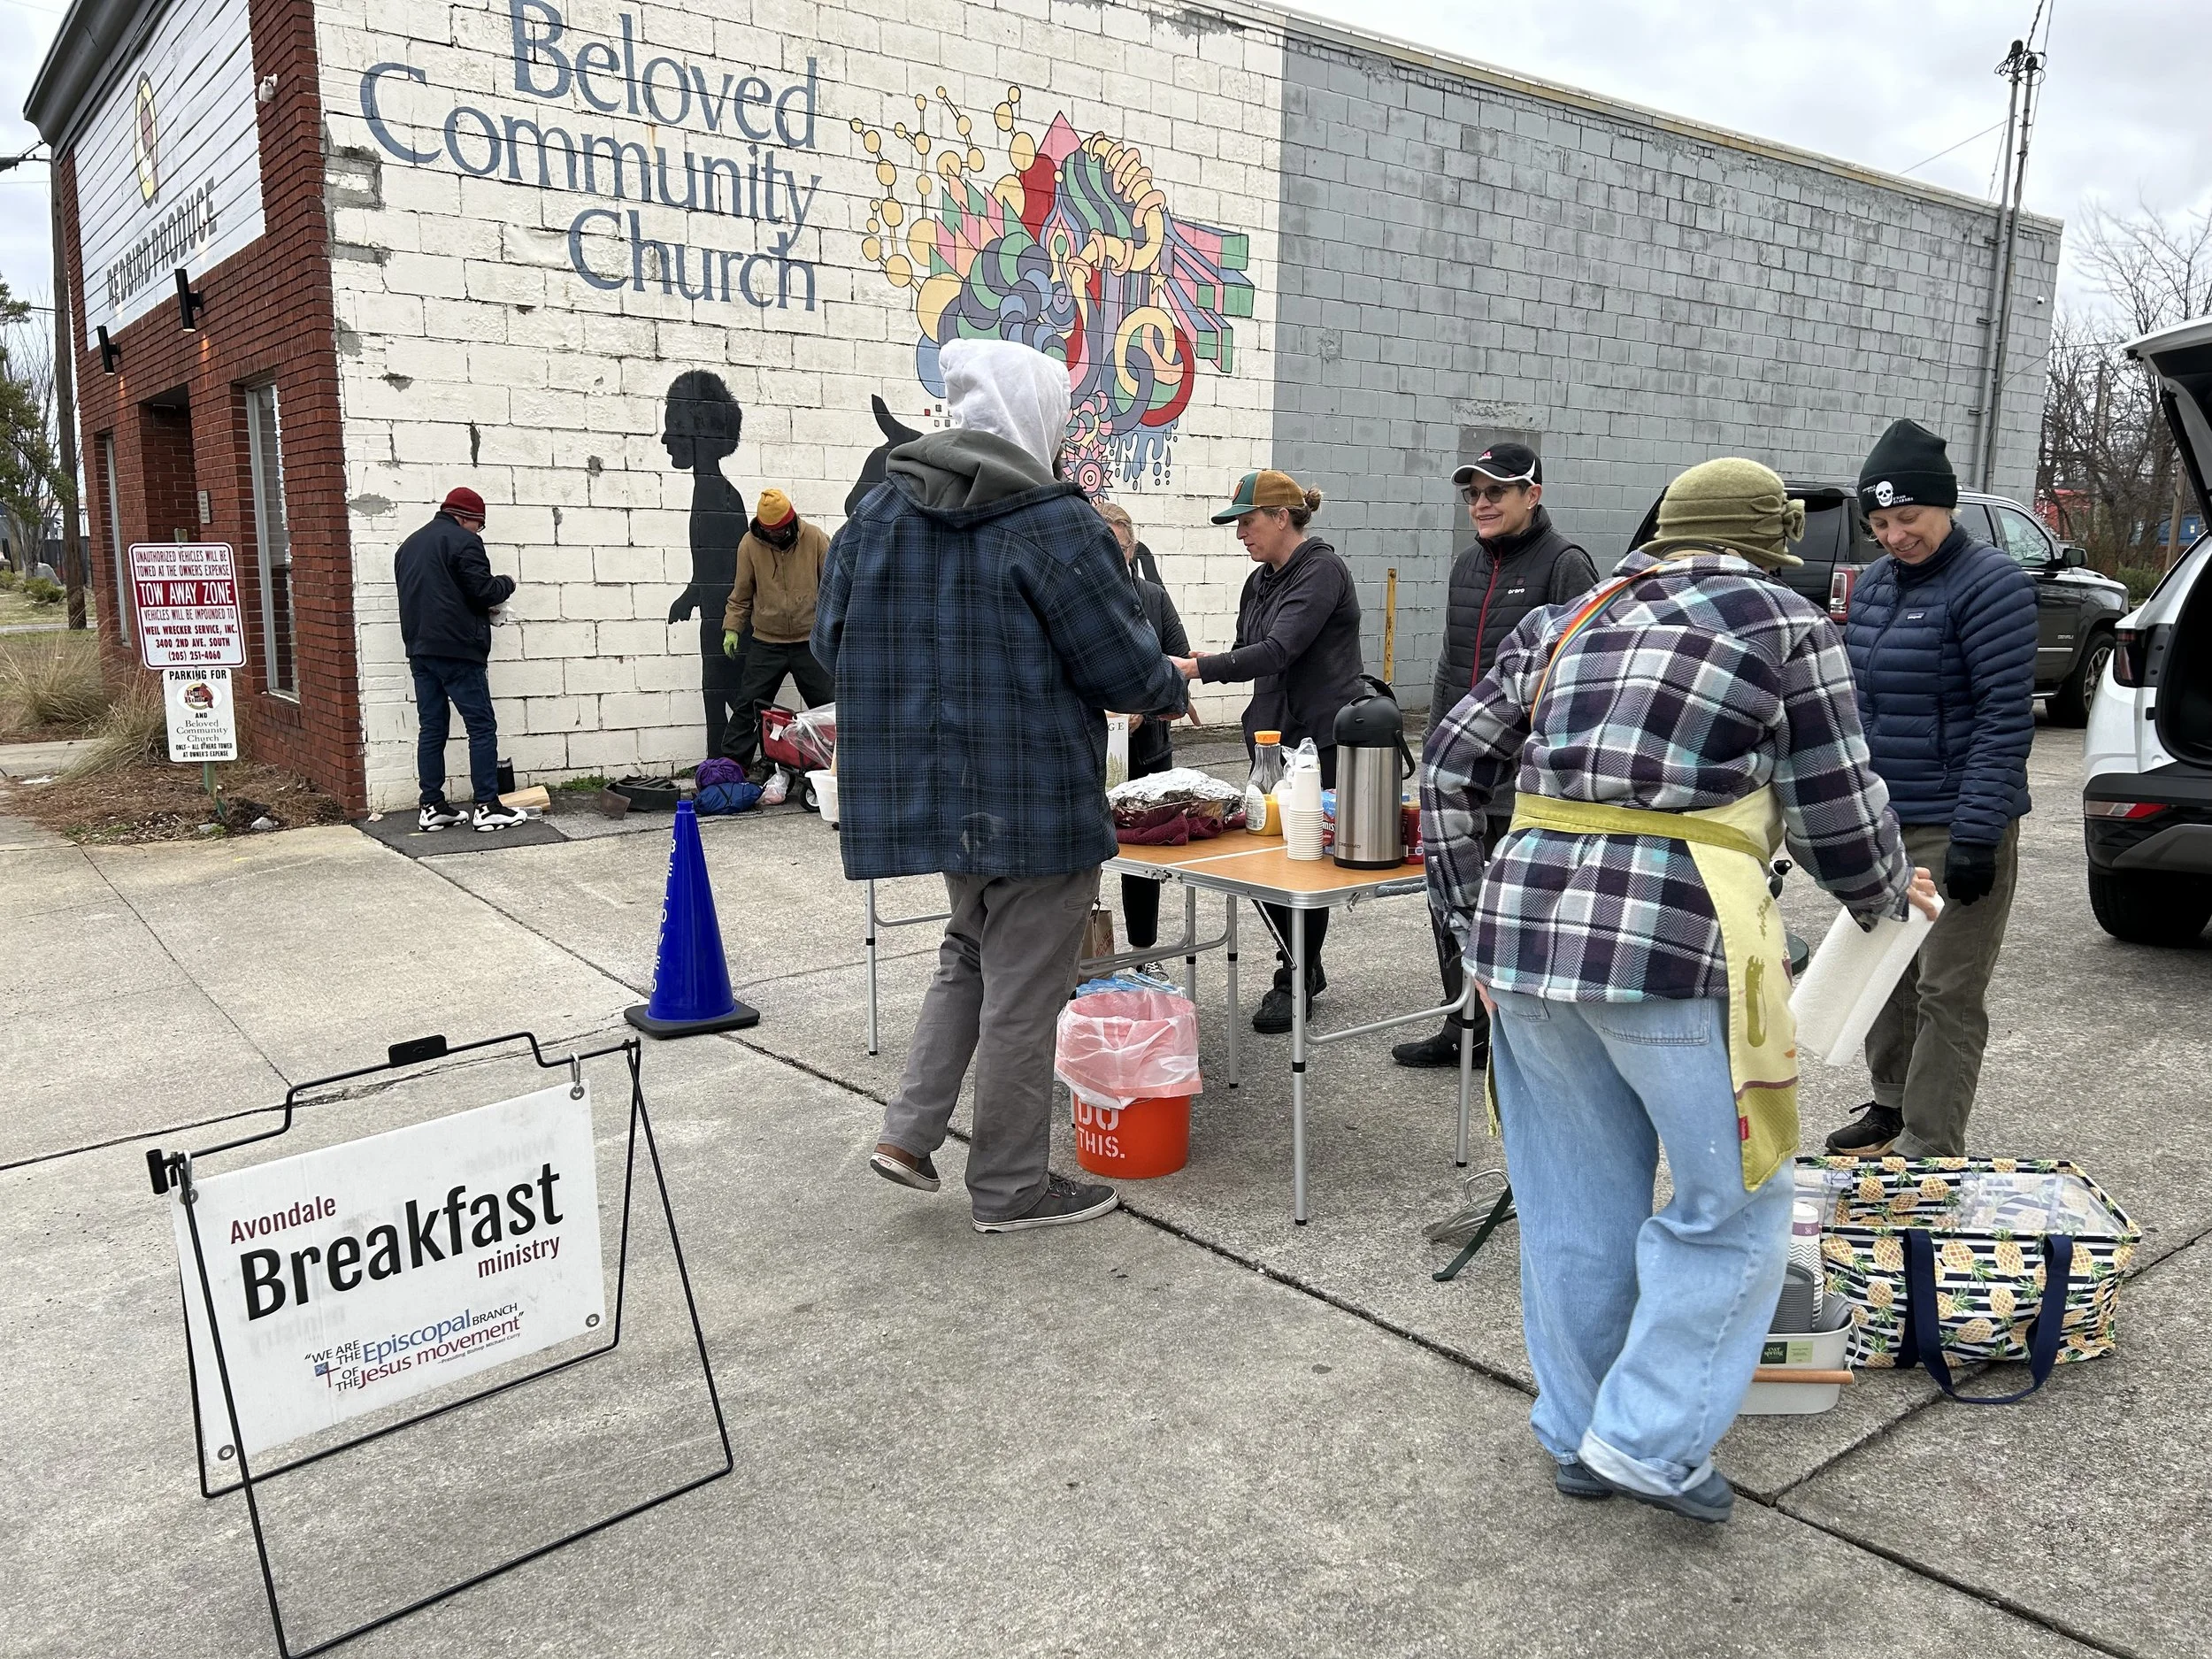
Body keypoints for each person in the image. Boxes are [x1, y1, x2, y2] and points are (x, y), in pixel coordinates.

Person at [1424, 457, 1935, 1521]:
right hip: (1674, 950)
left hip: (1523, 948)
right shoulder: (1787, 623)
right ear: (1770, 543)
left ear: (1662, 531)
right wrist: (1891, 891)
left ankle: (1576, 1428)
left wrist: (1474, 932)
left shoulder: (1567, 618)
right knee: (1733, 1205)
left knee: (1572, 1207)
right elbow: (1838, 809)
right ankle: (1649, 1444)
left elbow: (1443, 770)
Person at [814, 340, 1188, 1233]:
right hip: (1035, 799)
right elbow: (1125, 672)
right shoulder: (1056, 522)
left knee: (969, 953)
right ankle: (1011, 1188)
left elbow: (830, 648)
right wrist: (1172, 683)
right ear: (1038, 417)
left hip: (936, 798)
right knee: (1024, 992)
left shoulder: (875, 514)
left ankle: (909, 1135)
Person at [1825, 419, 2037, 1158]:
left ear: (1943, 506)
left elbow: (2005, 720)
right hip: (1886, 818)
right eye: (1879, 522)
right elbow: (1857, 703)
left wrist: (1979, 832)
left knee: (1946, 989)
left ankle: (1930, 1137)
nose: (1894, 535)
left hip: (1957, 823)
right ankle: (1888, 1105)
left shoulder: (1993, 586)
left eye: (1907, 517)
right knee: (1885, 977)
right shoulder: (1876, 586)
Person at [1395, 442, 1597, 1070]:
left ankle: (1521, 1042)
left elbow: (1581, 682)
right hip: (1462, 783)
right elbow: (1450, 668)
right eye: (1473, 493)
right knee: (1450, 897)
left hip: (1525, 786)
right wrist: (1433, 756)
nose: (1481, 503)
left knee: (1520, 917)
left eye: (1495, 492)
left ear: (1531, 495)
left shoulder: (1566, 565)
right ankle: (1463, 1025)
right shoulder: (1466, 566)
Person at [1170, 470, 1363, 1033]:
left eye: (1247, 522)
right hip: (1270, 738)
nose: (1240, 535)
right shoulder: (1259, 582)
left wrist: (1196, 667)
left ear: (1282, 517)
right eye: (1237, 525)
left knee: (1301, 859)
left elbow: (1277, 650)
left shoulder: (1321, 570)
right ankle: (1300, 963)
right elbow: (1245, 653)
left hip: (1318, 739)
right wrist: (1180, 686)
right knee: (1263, 856)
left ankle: (1297, 976)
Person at [395, 487, 527, 832]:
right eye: (478, 526)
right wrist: (507, 583)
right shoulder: (464, 542)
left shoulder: (408, 546)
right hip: (459, 651)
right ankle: (487, 806)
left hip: (421, 650)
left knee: (433, 728)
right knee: (481, 726)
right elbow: (483, 591)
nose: (478, 532)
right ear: (467, 517)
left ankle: (432, 806)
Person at [1095, 498, 1194, 950]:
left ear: (1132, 550)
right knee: (1085, 863)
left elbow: (1179, 665)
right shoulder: (1074, 600)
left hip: (1148, 753)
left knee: (1143, 860)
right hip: (1091, 756)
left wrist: (1145, 707)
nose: (1110, 555)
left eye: (1118, 546)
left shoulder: (1153, 598)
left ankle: (1143, 953)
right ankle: (1083, 959)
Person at [663, 371, 748, 759]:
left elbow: (734, 568)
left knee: (726, 697)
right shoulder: (710, 490)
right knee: (721, 697)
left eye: (674, 429)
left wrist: (725, 618)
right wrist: (690, 596)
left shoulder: (720, 494)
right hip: (718, 617)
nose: (666, 439)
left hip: (727, 621)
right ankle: (723, 764)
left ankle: (728, 763)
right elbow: (713, 565)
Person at [719, 489, 833, 771]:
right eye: (771, 531)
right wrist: (732, 628)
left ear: (792, 520)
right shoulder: (749, 545)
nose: (777, 535)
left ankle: (841, 764)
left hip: (810, 640)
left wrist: (836, 629)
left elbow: (834, 587)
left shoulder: (816, 539)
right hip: (767, 641)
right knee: (748, 705)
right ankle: (733, 766)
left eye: (782, 529)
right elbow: (742, 594)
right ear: (761, 527)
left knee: (829, 707)